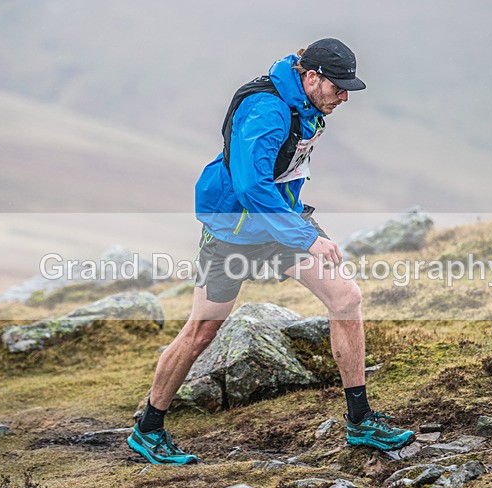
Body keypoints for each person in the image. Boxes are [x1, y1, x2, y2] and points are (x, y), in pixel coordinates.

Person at [127, 38, 415, 465]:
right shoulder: (266, 110)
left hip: (279, 224)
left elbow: (289, 170)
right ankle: (148, 430)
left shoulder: (308, 105)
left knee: (346, 297)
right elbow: (250, 185)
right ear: (311, 77)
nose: (345, 96)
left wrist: (298, 224)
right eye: (339, 86)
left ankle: (360, 420)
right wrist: (306, 237)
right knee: (201, 332)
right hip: (234, 230)